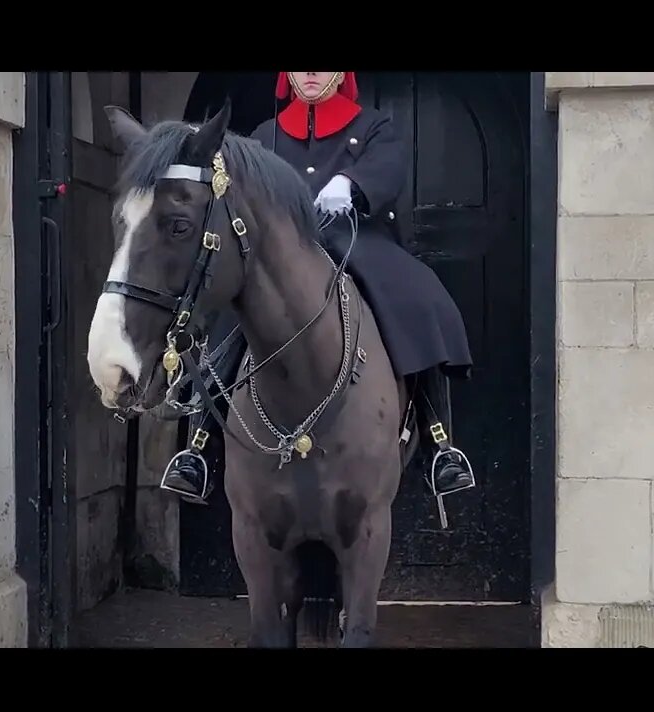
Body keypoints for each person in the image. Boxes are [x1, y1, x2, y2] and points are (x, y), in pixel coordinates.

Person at [160, 71, 477, 505]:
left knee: (418, 295)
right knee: (223, 306)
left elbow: (389, 165)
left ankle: (439, 444)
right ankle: (199, 448)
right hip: (279, 252)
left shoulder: (372, 126)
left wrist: (353, 184)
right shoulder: (264, 135)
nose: (311, 74)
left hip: (354, 238)